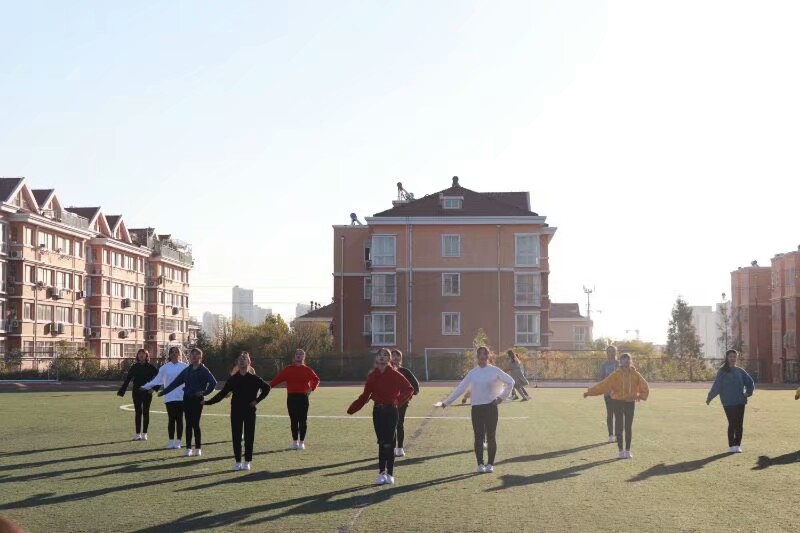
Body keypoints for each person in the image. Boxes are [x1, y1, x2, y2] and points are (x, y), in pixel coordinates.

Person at [440, 346, 515, 474]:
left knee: (491, 436)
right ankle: (480, 464)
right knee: (478, 437)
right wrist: (447, 402)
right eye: (480, 354)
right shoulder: (473, 373)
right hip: (476, 409)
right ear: (477, 356)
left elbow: (511, 382)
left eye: (485, 354)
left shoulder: (495, 370)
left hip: (491, 408)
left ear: (488, 356)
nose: (482, 356)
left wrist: (500, 398)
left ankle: (490, 464)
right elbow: (461, 388)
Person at [347, 348, 414, 486]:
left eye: (385, 355)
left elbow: (409, 389)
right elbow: (365, 395)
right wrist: (352, 409)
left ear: (389, 359)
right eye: (380, 355)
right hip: (377, 412)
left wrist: (398, 401)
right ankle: (381, 472)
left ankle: (390, 473)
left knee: (389, 443)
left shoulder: (395, 374)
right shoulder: (372, 375)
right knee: (382, 442)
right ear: (376, 358)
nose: (382, 357)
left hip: (391, 411)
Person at [204, 352, 271, 471]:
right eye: (240, 359)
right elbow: (222, 394)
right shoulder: (233, 379)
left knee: (249, 437)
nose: (242, 361)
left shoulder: (254, 379)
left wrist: (257, 400)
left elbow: (267, 388)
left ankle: (247, 461)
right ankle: (238, 461)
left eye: (244, 359)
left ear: (249, 362)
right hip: (236, 411)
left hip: (249, 411)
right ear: (237, 363)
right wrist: (207, 402)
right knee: (236, 437)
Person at [584, 353, 649, 459]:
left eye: (628, 359)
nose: (626, 361)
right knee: (619, 426)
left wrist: (640, 395)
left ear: (631, 361)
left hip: (630, 402)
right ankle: (620, 451)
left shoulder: (635, 374)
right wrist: (590, 392)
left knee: (628, 427)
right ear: (620, 361)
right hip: (617, 402)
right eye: (624, 359)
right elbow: (604, 384)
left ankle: (627, 451)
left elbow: (644, 386)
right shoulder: (616, 374)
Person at [158, 348, 218, 457]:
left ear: (201, 357)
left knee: (195, 423)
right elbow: (175, 383)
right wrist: (164, 392)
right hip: (186, 399)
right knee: (188, 424)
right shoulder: (187, 370)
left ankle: (198, 448)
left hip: (197, 400)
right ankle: (188, 448)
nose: (194, 356)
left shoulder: (203, 370)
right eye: (192, 354)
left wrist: (204, 393)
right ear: (189, 357)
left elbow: (213, 383)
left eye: (197, 354)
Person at [269, 348, 321, 450]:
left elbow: (316, 379)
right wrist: (268, 387)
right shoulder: (288, 369)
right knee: (293, 420)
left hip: (303, 398)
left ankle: (302, 442)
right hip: (291, 398)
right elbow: (277, 379)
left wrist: (312, 388)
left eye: (301, 354)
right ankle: (295, 441)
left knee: (302, 420)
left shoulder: (307, 369)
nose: (298, 355)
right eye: (297, 354)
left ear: (303, 357)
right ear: (294, 356)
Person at [706, 349, 755, 453]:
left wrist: (748, 393)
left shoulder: (740, 371)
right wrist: (710, 397)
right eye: (730, 356)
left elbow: (750, 383)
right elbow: (717, 386)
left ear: (737, 358)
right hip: (728, 402)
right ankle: (731, 445)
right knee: (732, 423)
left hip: (740, 401)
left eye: (734, 356)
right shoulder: (722, 371)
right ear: (727, 358)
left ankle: (737, 445)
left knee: (739, 424)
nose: (733, 358)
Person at [141, 346, 189, 449]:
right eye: (172, 352)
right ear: (169, 355)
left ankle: (178, 442)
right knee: (171, 419)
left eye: (176, 352)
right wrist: (146, 386)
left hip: (181, 397)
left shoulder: (185, 367)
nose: (174, 354)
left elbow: (191, 379)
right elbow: (157, 380)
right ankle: (171, 441)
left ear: (179, 354)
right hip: (169, 397)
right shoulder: (165, 367)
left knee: (179, 419)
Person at [117, 348, 158, 441]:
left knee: (146, 412)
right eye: (139, 354)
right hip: (136, 392)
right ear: (137, 356)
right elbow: (128, 379)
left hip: (147, 392)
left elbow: (159, 378)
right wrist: (122, 390)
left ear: (146, 355)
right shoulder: (134, 367)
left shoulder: (151, 367)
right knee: (138, 412)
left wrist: (154, 388)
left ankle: (144, 434)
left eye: (143, 354)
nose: (141, 355)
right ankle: (138, 434)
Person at [389, 349, 420, 457]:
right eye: (393, 355)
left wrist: (407, 397)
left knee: (399, 424)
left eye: (398, 355)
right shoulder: (386, 371)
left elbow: (415, 387)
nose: (395, 357)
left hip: (402, 403)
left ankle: (400, 448)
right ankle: (391, 448)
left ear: (400, 358)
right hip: (388, 402)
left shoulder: (405, 371)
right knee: (390, 425)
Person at [598, 345, 620, 443]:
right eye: (609, 351)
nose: (611, 353)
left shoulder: (619, 364)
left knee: (618, 414)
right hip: (608, 393)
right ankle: (611, 435)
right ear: (606, 353)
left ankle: (618, 435)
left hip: (619, 394)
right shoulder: (604, 365)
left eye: (613, 351)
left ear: (616, 352)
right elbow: (600, 378)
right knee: (610, 414)